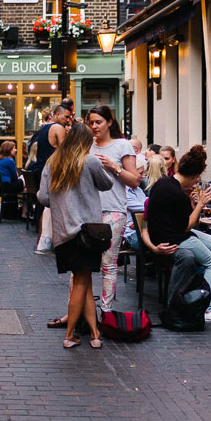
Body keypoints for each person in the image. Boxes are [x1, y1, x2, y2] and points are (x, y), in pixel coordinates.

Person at [144, 145, 211, 324]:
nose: (196, 183)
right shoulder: (176, 192)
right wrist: (200, 204)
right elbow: (186, 226)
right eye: (197, 178)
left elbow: (176, 218)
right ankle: (210, 308)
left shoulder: (165, 184)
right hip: (173, 239)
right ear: (193, 175)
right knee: (210, 261)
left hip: (173, 234)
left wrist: (192, 204)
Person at [37, 122, 114, 349]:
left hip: (64, 232)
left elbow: (43, 197)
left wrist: (62, 202)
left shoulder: (53, 162)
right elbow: (107, 184)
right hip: (87, 232)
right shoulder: (89, 161)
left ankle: (94, 334)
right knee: (82, 282)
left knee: (85, 281)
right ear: (85, 142)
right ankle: (70, 335)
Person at [87, 105, 139, 313]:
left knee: (108, 265)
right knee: (82, 267)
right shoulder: (86, 145)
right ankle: (81, 312)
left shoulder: (121, 146)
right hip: (88, 212)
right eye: (91, 122)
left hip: (113, 211)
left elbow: (134, 180)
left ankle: (105, 312)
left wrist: (113, 166)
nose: (94, 126)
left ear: (109, 122)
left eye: (98, 122)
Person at [30, 105, 71, 253]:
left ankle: (42, 241)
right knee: (51, 207)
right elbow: (65, 151)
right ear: (57, 114)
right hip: (53, 171)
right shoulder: (58, 128)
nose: (68, 120)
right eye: (66, 116)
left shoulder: (44, 128)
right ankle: (46, 241)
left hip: (42, 169)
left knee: (45, 207)